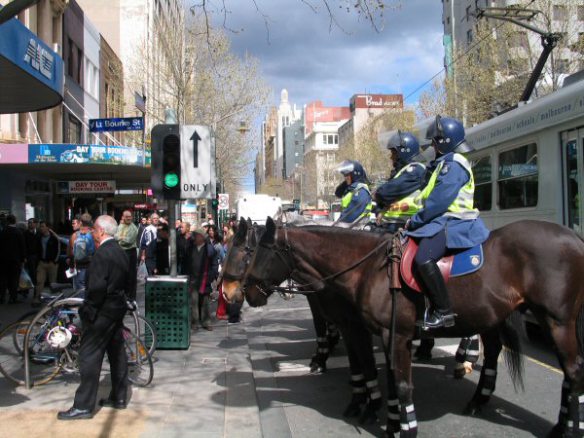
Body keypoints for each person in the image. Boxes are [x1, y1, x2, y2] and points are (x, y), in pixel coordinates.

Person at [406, 115, 490, 330]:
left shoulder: (453, 165)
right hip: (443, 221)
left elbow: (439, 202)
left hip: (454, 223)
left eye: (434, 141)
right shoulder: (442, 164)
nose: (432, 146)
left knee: (424, 259)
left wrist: (415, 221)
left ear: (445, 141)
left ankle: (443, 312)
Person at [57, 215, 130, 420]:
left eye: (95, 230)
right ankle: (119, 396)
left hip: (102, 312)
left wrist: (88, 311)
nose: (93, 233)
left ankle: (83, 406)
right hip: (116, 309)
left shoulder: (102, 254)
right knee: (117, 354)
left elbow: (97, 288)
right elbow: (129, 281)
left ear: (101, 231)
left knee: (89, 356)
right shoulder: (121, 252)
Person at [374, 131, 427, 233]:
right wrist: (381, 211)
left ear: (403, 152)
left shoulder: (416, 170)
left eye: (394, 153)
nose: (391, 157)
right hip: (392, 225)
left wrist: (377, 193)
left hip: (405, 226)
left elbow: (386, 192)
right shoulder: (402, 172)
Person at [186, 228, 218, 331]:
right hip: (193, 280)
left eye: (196, 235)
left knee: (205, 302)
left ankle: (206, 322)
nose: (194, 237)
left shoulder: (210, 249)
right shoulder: (190, 248)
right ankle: (194, 322)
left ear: (201, 237)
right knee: (194, 302)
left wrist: (210, 277)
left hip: (205, 280)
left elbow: (214, 265)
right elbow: (185, 263)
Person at [0, 214, 26, 304]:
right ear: (15, 221)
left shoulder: (3, 232)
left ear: (7, 221)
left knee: (3, 279)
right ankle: (13, 297)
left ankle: (1, 297)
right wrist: (23, 259)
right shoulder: (18, 232)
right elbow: (22, 246)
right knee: (14, 279)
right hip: (15, 260)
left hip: (3, 260)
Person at [32, 221, 60, 305]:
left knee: (53, 282)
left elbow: (58, 249)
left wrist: (55, 261)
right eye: (40, 226)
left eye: (43, 226)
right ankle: (37, 298)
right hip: (42, 262)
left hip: (52, 263)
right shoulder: (39, 237)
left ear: (48, 227)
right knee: (39, 281)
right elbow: (36, 249)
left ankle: (54, 300)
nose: (41, 228)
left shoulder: (54, 238)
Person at [115, 210, 138, 300]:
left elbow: (129, 241)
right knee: (121, 275)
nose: (128, 218)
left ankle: (131, 298)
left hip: (130, 252)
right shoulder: (120, 226)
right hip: (121, 252)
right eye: (126, 217)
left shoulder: (134, 228)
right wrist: (120, 238)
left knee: (131, 276)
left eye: (130, 216)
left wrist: (119, 238)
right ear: (123, 217)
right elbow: (114, 236)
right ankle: (123, 297)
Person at [69, 213, 95, 294]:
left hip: (80, 267)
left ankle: (81, 305)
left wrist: (72, 266)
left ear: (80, 223)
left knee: (80, 290)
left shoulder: (75, 235)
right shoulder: (94, 233)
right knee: (91, 288)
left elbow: (72, 253)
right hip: (92, 266)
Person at [24, 218, 39, 298]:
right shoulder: (25, 234)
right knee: (31, 274)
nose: (29, 224)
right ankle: (27, 291)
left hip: (37, 256)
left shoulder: (38, 233)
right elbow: (24, 246)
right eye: (28, 223)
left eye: (31, 223)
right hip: (29, 256)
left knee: (37, 275)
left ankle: (36, 293)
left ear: (35, 224)